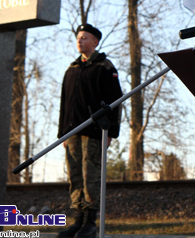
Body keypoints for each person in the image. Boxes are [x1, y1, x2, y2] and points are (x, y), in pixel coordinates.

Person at [57, 24, 123, 238]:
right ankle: (78, 221)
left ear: (95, 42)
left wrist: (111, 132)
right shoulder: (72, 68)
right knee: (75, 176)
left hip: (94, 132)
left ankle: (90, 223)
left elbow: (116, 101)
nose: (80, 41)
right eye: (78, 37)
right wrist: (62, 134)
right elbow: (64, 103)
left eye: (84, 38)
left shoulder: (104, 67)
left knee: (90, 175)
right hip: (72, 132)